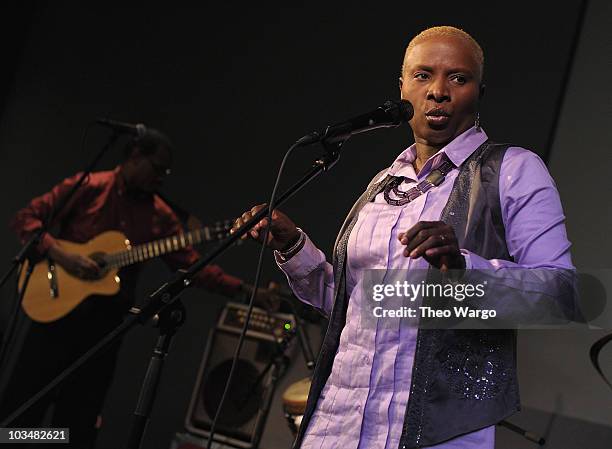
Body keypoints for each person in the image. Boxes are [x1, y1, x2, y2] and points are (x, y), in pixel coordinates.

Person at [232, 26, 575, 449]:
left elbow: (558, 295)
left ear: (479, 91)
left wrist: (464, 269)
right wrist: (292, 246)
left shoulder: (514, 170)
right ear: (401, 88)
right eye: (423, 75)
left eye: (458, 78)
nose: (438, 91)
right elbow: (353, 305)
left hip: (438, 434)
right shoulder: (383, 183)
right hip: (336, 424)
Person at [3, 129, 277, 448]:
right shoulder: (90, 186)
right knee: (22, 412)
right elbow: (27, 219)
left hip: (101, 331)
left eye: (166, 172)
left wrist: (247, 291)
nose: (161, 178)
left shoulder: (160, 215)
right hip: (53, 317)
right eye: (157, 168)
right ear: (134, 157)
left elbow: (192, 268)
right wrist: (64, 257)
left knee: (77, 421)